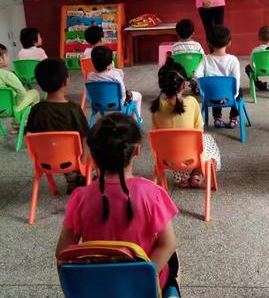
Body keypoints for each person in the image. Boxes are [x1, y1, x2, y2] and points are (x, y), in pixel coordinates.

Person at [55, 113, 181, 297]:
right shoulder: (152, 194)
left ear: (94, 155)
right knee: (175, 259)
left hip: (97, 285)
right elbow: (168, 244)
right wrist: (139, 277)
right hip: (140, 286)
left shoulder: (80, 197)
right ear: (137, 150)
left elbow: (63, 253)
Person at [151, 58, 221, 188]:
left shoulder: (156, 107)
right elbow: (200, 131)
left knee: (173, 143)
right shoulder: (191, 102)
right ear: (183, 85)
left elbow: (157, 134)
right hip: (190, 156)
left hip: (167, 158)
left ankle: (182, 176)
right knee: (209, 141)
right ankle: (197, 172)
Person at [26, 58, 89, 193]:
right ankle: (81, 177)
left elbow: (29, 136)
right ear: (66, 81)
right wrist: (83, 160)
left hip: (44, 161)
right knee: (97, 149)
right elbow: (85, 137)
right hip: (74, 160)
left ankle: (73, 178)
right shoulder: (73, 109)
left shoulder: (36, 110)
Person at [194, 25, 241, 129]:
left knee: (214, 89)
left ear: (209, 43)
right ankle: (233, 119)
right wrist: (235, 94)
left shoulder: (205, 59)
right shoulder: (233, 60)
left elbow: (197, 74)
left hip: (210, 97)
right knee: (238, 92)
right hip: (230, 96)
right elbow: (236, 80)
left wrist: (202, 87)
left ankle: (217, 119)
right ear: (229, 42)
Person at [87, 46, 142, 120]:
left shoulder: (90, 76)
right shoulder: (115, 75)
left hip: (98, 104)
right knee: (138, 95)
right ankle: (136, 120)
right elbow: (122, 93)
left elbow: (89, 95)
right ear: (109, 65)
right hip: (118, 105)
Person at [0, 43, 40, 117]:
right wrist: (17, 106)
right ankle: (30, 119)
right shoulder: (7, 75)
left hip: (1, 108)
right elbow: (22, 93)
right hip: (9, 109)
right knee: (35, 92)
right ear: (0, 59)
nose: (8, 57)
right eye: (6, 55)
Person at [245, 25, 269, 91]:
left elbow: (251, 62)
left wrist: (255, 70)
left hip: (258, 71)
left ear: (259, 38)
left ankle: (258, 84)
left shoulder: (255, 51)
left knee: (248, 68)